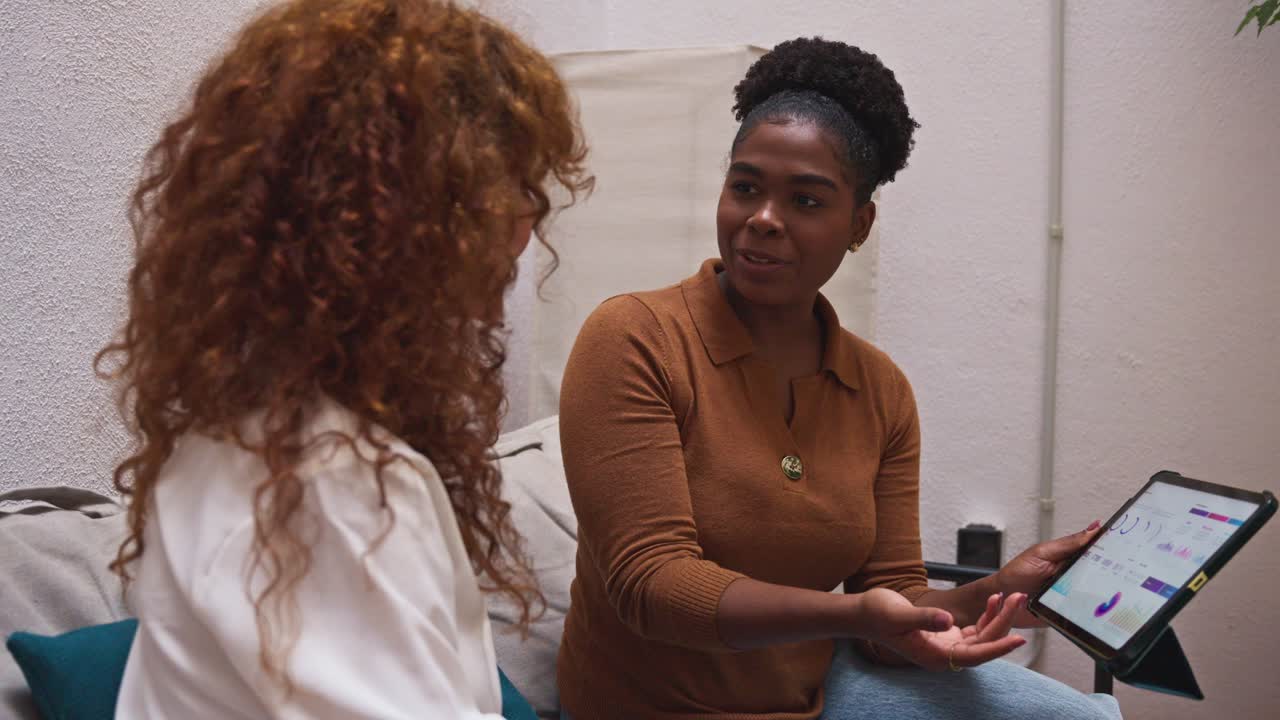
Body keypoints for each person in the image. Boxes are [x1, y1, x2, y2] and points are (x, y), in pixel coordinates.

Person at [555, 38, 1120, 719]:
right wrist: (854, 615)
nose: (763, 219)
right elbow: (651, 585)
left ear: (859, 223)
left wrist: (997, 593)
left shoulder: (880, 391)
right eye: (745, 187)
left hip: (813, 700)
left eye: (806, 200)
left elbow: (894, 609)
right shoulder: (635, 338)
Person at [98, 1, 589, 717]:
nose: (524, 230)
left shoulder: (255, 437)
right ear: (398, 214)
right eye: (509, 187)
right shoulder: (320, 482)